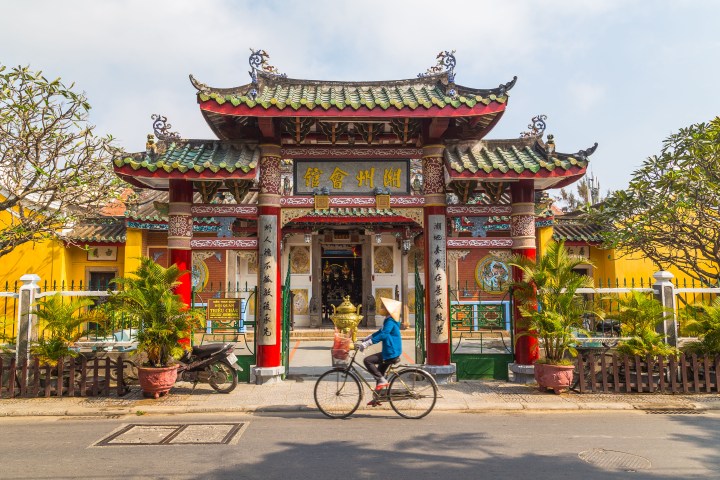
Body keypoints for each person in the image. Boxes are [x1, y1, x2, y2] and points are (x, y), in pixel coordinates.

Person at [356, 297, 402, 390]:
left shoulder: (390, 321)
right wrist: (368, 338)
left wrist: (367, 343)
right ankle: (378, 397)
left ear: (388, 310)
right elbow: (380, 332)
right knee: (379, 375)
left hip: (390, 352)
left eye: (383, 307)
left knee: (367, 361)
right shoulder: (389, 320)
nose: (381, 308)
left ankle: (382, 381)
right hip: (391, 351)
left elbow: (384, 334)